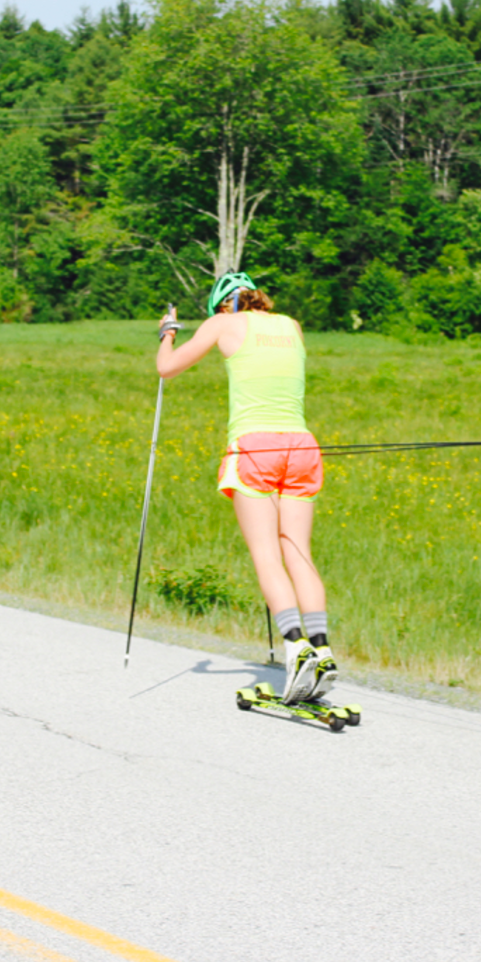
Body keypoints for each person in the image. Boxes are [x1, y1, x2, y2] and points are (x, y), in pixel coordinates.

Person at [156, 272, 336, 704]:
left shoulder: (222, 323)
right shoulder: (291, 325)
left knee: (266, 554)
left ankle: (296, 649)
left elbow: (167, 369)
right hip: (302, 446)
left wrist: (168, 332)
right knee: (298, 552)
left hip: (253, 449)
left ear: (223, 305)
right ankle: (323, 650)